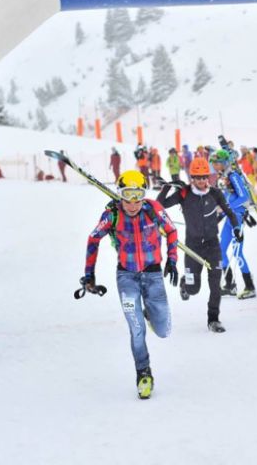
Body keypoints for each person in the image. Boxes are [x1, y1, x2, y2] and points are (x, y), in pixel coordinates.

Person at [83, 170, 179, 398]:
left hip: (153, 275)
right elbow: (93, 238)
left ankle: (149, 313)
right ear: (120, 194)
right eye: (128, 195)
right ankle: (143, 374)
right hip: (127, 278)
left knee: (164, 331)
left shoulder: (153, 209)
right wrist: (89, 275)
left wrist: (172, 260)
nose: (133, 203)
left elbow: (172, 231)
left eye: (138, 195)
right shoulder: (112, 214)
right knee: (137, 330)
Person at [157, 157, 240, 333]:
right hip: (192, 246)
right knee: (193, 289)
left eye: (205, 177)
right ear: (191, 178)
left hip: (212, 245)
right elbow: (159, 206)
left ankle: (213, 319)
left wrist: (237, 228)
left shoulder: (215, 193)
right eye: (198, 177)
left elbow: (230, 212)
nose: (202, 181)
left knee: (215, 284)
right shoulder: (184, 193)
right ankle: (184, 284)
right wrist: (167, 188)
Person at [210, 150, 257, 300]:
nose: (214, 166)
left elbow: (244, 196)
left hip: (237, 218)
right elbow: (226, 198)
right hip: (229, 217)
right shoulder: (222, 177)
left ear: (224, 163)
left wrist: (226, 208)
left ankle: (250, 287)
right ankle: (230, 284)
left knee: (238, 253)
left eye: (216, 163)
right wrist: (217, 213)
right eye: (213, 163)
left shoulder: (233, 175)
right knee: (221, 250)